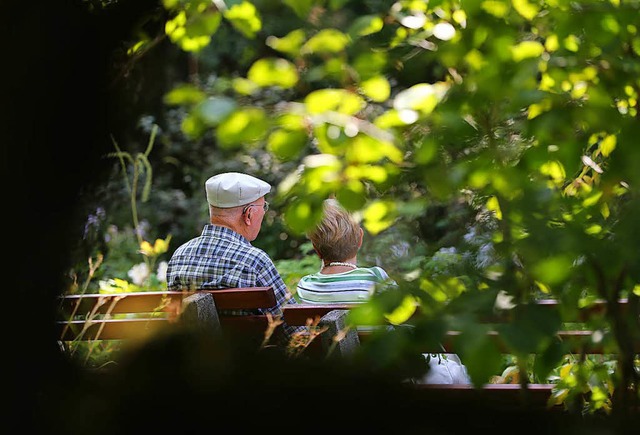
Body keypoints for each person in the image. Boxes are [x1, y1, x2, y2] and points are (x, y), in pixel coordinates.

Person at [297, 199, 471, 385]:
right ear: (360, 239)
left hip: (337, 378)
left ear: (316, 249)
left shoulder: (305, 285)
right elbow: (403, 317)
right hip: (385, 375)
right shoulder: (375, 277)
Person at [166, 171, 302, 344]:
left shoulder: (179, 256)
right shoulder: (254, 261)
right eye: (264, 207)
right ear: (249, 215)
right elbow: (295, 331)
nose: (264, 213)